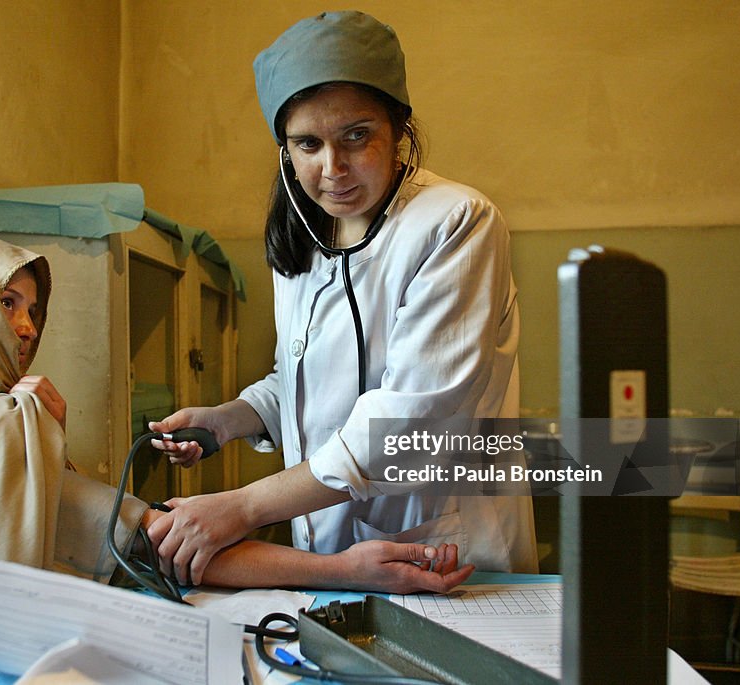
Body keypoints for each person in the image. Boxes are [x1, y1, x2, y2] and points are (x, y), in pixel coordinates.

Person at [0, 230, 474, 685]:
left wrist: (225, 421)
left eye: (34, 308)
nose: (28, 328)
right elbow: (150, 536)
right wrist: (345, 570)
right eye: (7, 303)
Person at [149, 10, 538, 585]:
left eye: (357, 135)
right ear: (285, 150)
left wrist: (244, 507)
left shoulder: (457, 222)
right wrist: (232, 418)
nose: (333, 169)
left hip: (443, 535)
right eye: (308, 144)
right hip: (330, 549)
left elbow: (406, 420)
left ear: (399, 129)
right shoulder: (306, 236)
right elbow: (303, 379)